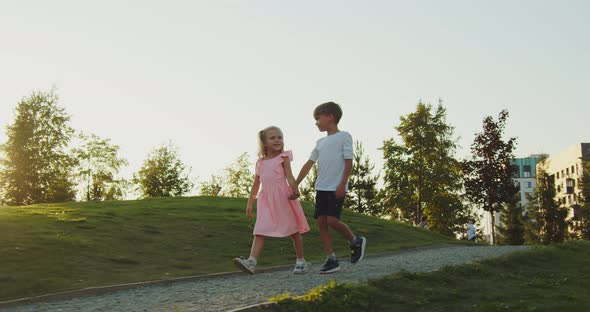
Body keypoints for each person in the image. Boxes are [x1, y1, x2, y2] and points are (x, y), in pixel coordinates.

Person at [292, 102, 367, 274]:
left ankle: (355, 241)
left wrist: (342, 184)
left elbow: (349, 161)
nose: (316, 122)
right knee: (321, 222)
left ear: (330, 117)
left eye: (318, 118)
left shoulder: (344, 136)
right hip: (321, 188)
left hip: (336, 187)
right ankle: (331, 259)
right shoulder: (320, 142)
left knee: (332, 220)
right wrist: (295, 183)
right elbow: (309, 163)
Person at [233, 126, 310, 275]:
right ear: (264, 142)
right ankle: (251, 262)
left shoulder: (283, 157)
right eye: (273, 138)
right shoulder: (260, 162)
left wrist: (295, 188)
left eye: (280, 137)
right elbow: (256, 184)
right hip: (266, 200)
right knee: (260, 230)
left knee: (293, 230)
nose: (277, 140)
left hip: (283, 197)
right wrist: (250, 203)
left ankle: (301, 261)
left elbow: (289, 176)